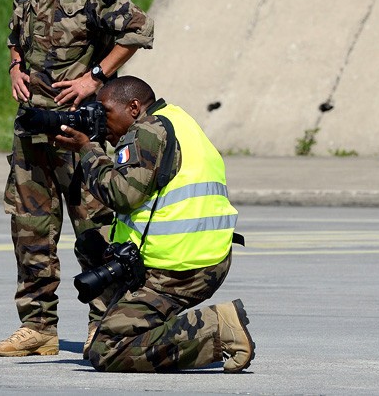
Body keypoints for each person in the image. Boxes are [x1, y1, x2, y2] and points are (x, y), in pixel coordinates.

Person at [0, 0, 154, 357]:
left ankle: (103, 324)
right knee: (30, 230)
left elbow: (138, 28)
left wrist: (95, 77)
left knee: (94, 230)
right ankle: (37, 327)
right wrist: (14, 67)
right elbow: (14, 38)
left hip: (80, 133)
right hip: (32, 129)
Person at [53, 76, 255, 373]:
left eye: (105, 112)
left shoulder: (146, 132)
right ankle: (113, 322)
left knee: (107, 352)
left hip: (179, 267)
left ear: (133, 107)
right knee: (93, 244)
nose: (100, 120)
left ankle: (214, 329)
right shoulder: (175, 119)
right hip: (202, 252)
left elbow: (122, 195)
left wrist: (88, 151)